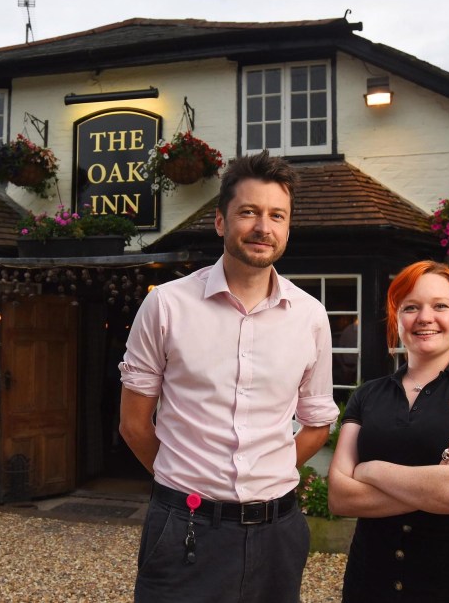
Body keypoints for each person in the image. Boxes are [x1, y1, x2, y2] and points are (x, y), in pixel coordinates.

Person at [118, 150, 338, 603]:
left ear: (288, 227)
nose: (263, 227)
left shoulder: (311, 317)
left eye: (277, 215)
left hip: (278, 534)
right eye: (249, 212)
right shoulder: (166, 306)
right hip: (184, 528)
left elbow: (317, 423)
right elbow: (134, 424)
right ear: (221, 221)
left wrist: (265, 473)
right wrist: (186, 480)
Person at [328, 260, 449, 603]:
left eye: (440, 306)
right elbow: (340, 497)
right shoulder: (367, 394)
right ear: (397, 318)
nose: (424, 317)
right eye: (411, 307)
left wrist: (369, 470)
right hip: (369, 582)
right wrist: (438, 483)